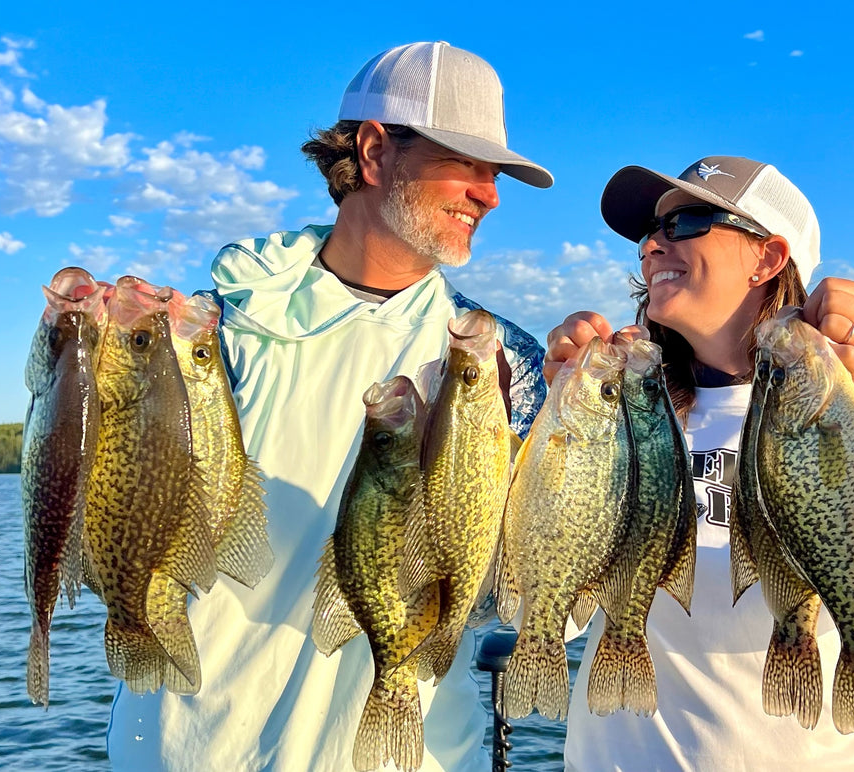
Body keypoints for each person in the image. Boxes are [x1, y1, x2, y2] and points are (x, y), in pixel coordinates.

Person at [105, 41, 552, 771]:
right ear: (375, 152)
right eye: (465, 165)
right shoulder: (209, 337)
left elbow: (542, 607)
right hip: (196, 752)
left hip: (418, 755)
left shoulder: (504, 366)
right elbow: (122, 512)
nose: (491, 194)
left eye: (495, 173)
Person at [547, 156, 854, 771]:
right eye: (648, 235)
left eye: (685, 223)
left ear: (768, 258)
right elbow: (556, 615)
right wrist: (565, 423)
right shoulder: (624, 406)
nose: (653, 245)